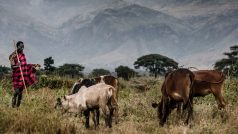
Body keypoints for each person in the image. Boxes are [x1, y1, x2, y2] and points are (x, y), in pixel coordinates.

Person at [9, 41, 39, 107]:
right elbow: (12, 67)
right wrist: (17, 65)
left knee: (20, 93)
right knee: (16, 92)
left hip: (23, 76)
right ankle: (12, 106)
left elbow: (25, 65)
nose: (22, 48)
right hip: (17, 77)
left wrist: (33, 65)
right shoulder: (13, 56)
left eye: (23, 46)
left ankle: (17, 107)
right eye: (21, 46)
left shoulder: (23, 55)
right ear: (17, 47)